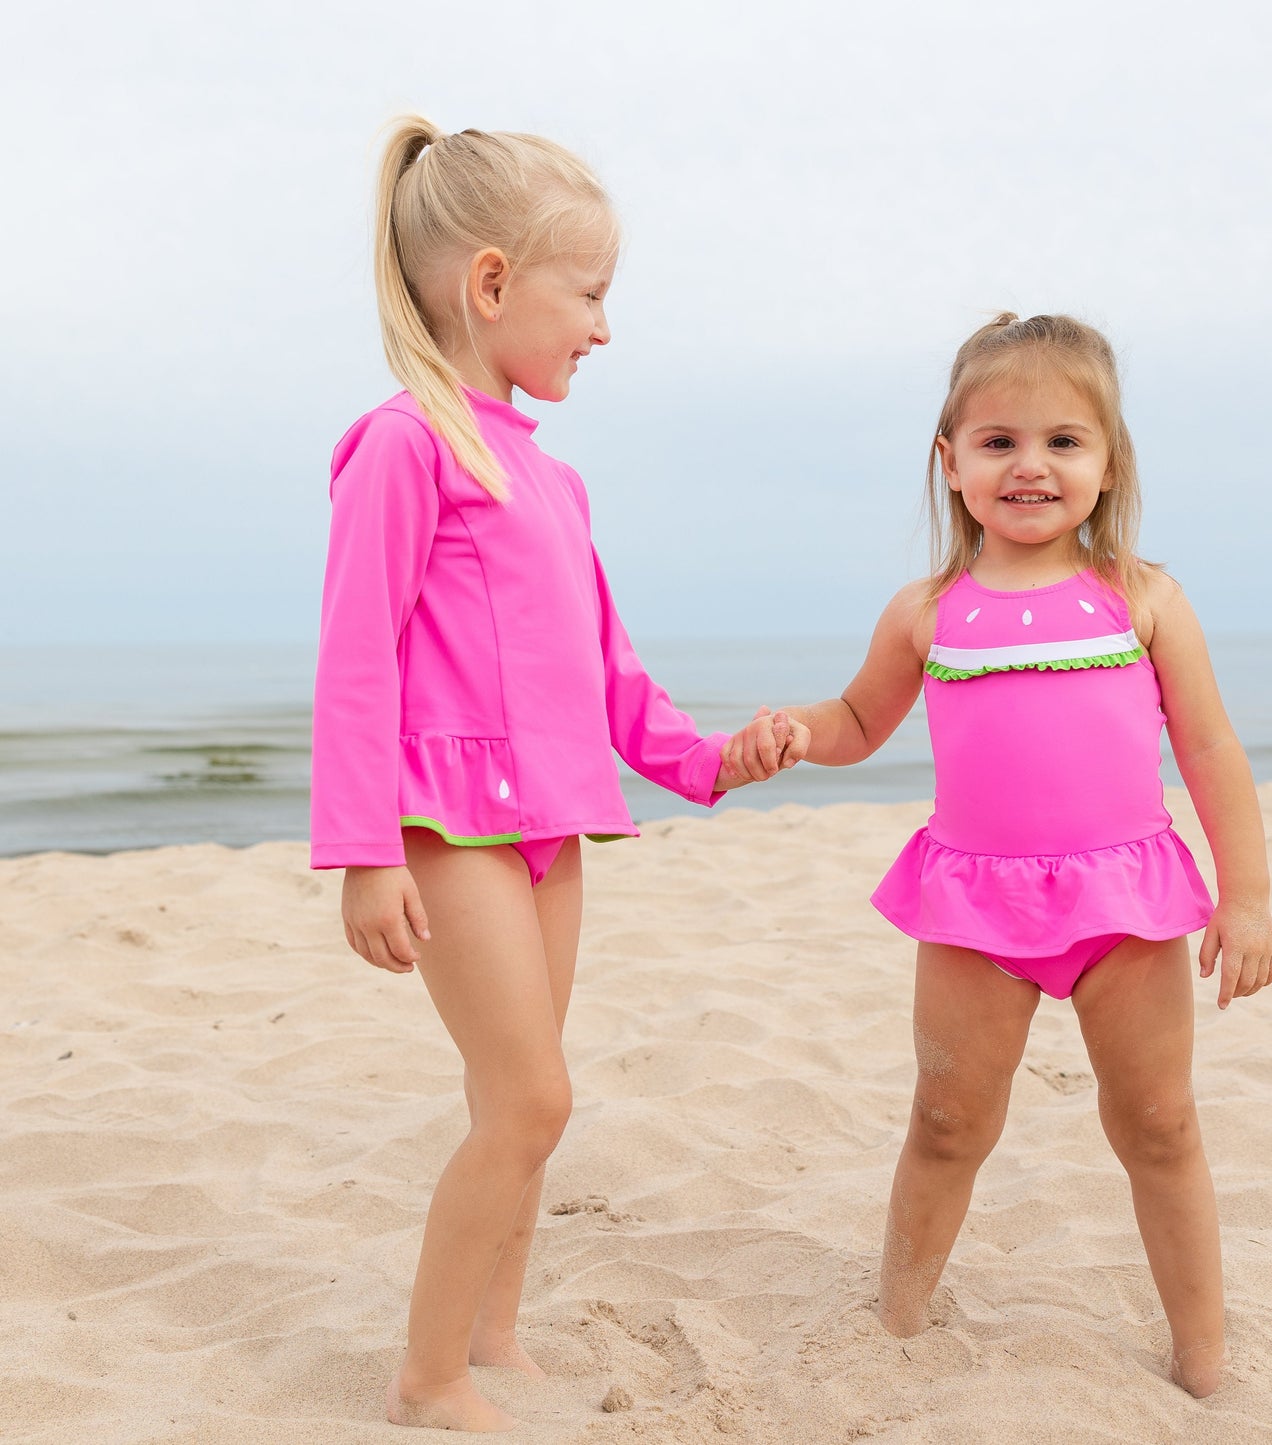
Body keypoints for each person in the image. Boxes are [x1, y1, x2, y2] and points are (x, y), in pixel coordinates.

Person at [310, 115, 779, 1433]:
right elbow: (354, 664)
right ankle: (425, 1373)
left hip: (556, 824)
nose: (604, 329)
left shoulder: (553, 481)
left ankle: (494, 1334)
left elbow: (609, 670)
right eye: (593, 294)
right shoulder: (403, 446)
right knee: (531, 1097)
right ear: (494, 283)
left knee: (517, 1099)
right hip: (445, 828)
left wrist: (707, 760)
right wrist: (359, 854)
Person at [726, 313, 1272, 1398]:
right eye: (997, 441)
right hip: (973, 908)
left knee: (1158, 1122)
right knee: (945, 1116)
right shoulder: (928, 612)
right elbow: (854, 718)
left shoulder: (1143, 598)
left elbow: (1209, 747)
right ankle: (894, 1315)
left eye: (1063, 441)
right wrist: (795, 731)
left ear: (1107, 460)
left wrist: (1246, 896)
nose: (1030, 465)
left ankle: (1202, 1355)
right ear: (950, 461)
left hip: (1123, 901)